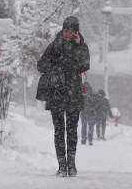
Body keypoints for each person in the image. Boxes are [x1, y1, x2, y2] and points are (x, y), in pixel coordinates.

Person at [37, 16, 90, 177]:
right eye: (66, 30)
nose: (68, 33)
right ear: (63, 30)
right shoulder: (55, 45)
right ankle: (61, 165)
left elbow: (85, 65)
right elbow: (41, 65)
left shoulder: (82, 47)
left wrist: (79, 46)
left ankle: (71, 164)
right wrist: (56, 68)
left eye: (72, 31)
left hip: (73, 92)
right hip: (57, 94)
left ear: (76, 32)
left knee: (72, 130)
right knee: (59, 130)